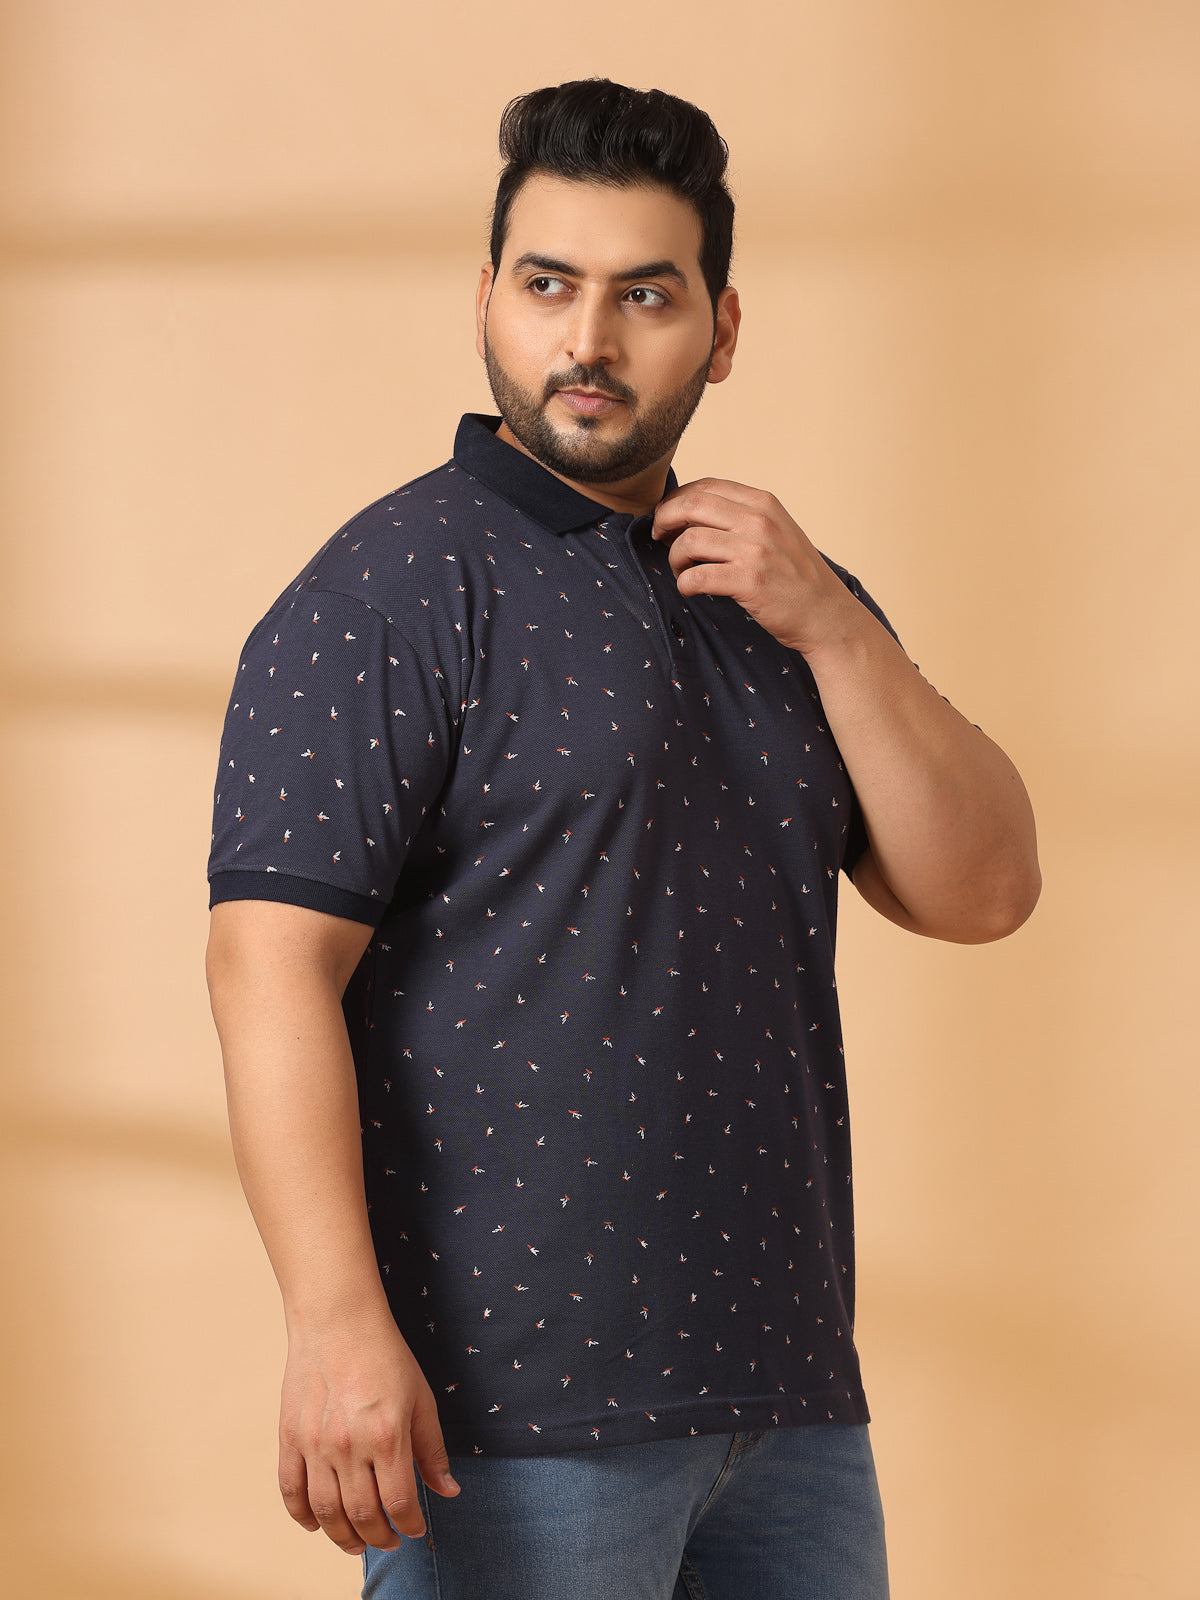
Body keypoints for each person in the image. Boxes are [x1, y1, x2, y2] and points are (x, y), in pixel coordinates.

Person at [205, 79, 1040, 1600]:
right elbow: (268, 967)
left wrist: (836, 628)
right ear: (487, 299)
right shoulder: (393, 588)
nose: (588, 339)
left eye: (645, 295)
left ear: (721, 330)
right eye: (549, 286)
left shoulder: (781, 593)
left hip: (790, 1403)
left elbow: (986, 890)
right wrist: (333, 1326)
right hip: (513, 1411)